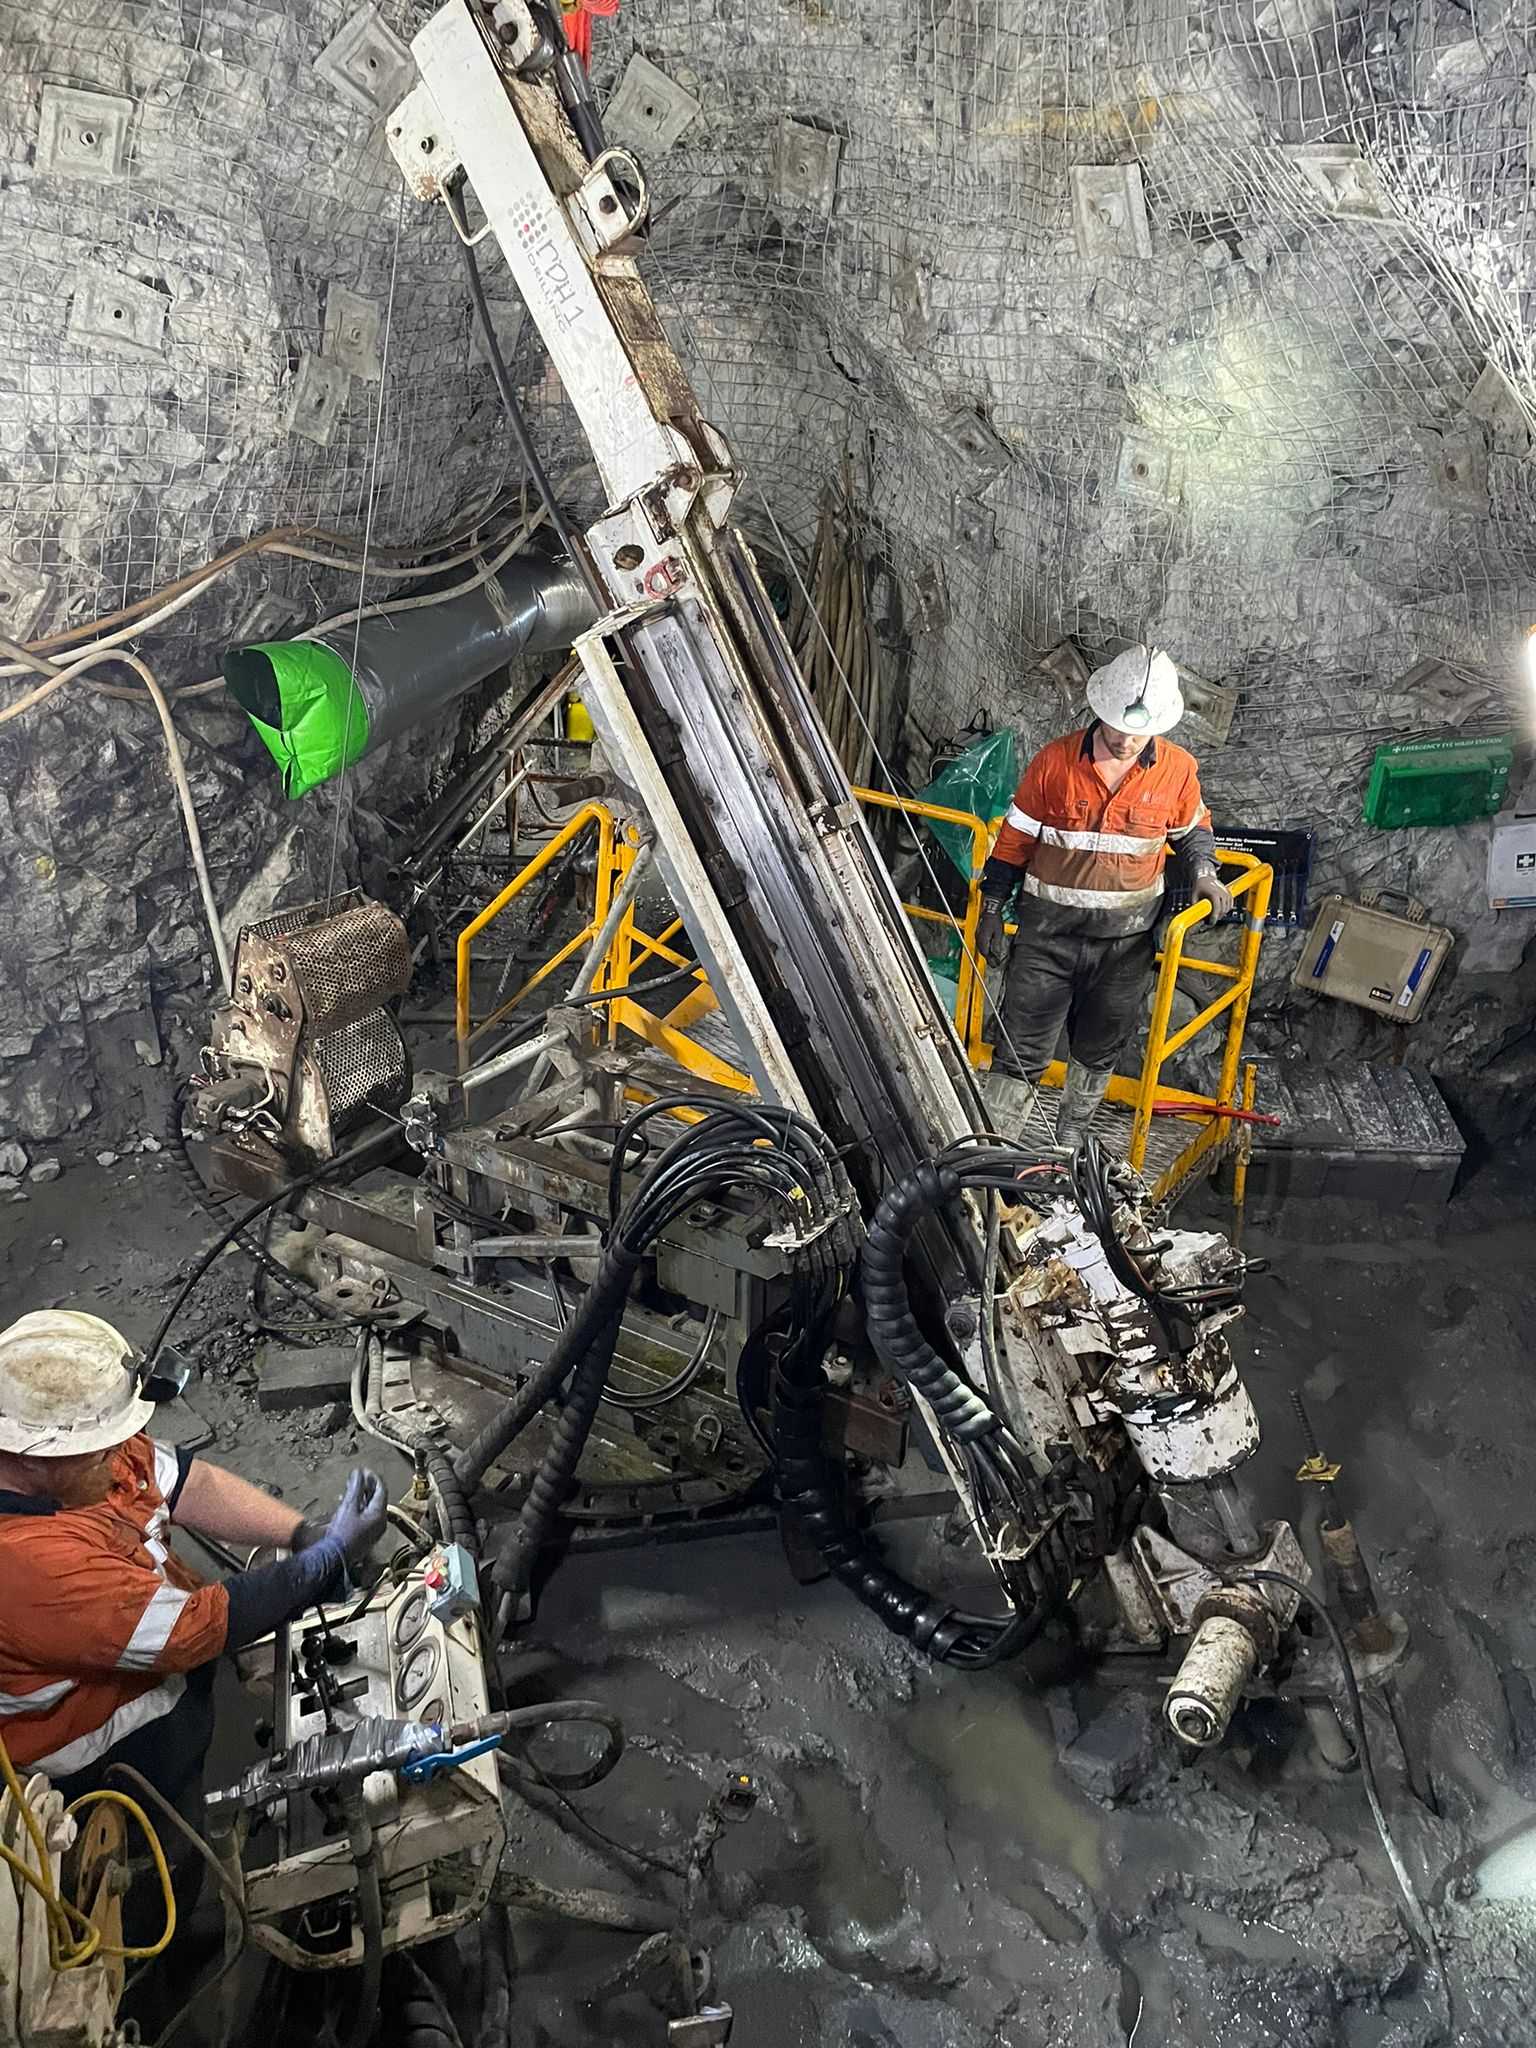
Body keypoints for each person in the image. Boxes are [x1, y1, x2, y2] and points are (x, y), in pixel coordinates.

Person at [0, 1308, 388, 1808]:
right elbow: (192, 1629)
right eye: (101, 1449)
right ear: (33, 1453)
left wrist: (303, 1533)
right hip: (112, 1765)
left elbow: (185, 1483)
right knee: (178, 1857)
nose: (120, 1453)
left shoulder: (72, 1460)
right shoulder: (28, 1569)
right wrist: (327, 1559)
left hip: (172, 1678)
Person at [974, 644, 1233, 1150]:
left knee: (1099, 1047)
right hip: (1047, 940)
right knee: (1020, 1047)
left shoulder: (1176, 770)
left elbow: (1192, 829)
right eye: (1118, 729)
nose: (1127, 740)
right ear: (1099, 713)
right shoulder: (1054, 762)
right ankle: (993, 1151)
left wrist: (1205, 871)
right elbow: (1013, 842)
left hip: (1125, 946)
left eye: (1140, 731)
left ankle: (1069, 1141)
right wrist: (989, 908)